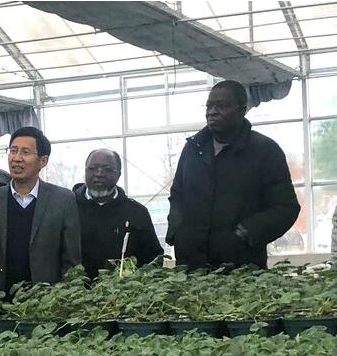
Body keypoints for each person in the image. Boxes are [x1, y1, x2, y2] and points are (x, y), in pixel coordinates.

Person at [167, 80, 300, 269]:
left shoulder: (265, 151)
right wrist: (177, 233)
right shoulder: (193, 149)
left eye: (221, 106)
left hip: (241, 267)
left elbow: (286, 208)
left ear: (241, 110)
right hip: (190, 265)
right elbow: (177, 195)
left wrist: (244, 233)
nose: (212, 112)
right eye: (209, 106)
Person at [0, 126, 81, 325]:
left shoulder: (63, 200)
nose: (17, 158)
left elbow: (71, 263)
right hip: (0, 306)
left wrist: (63, 305)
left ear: (43, 161)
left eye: (25, 152)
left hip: (47, 309)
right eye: (13, 151)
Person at [73, 149, 163, 280]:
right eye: (92, 168)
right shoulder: (67, 208)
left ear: (118, 174)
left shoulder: (137, 212)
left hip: (124, 289)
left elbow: (153, 259)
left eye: (107, 169)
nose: (99, 174)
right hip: (74, 289)